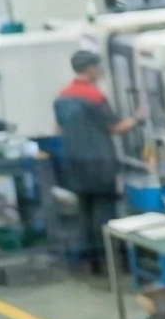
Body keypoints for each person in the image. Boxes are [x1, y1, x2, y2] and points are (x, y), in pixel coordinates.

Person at [54, 51, 136, 271]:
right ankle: (115, 261)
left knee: (84, 212)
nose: (100, 71)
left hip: (75, 164)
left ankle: (92, 262)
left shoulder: (62, 97)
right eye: (98, 66)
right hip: (100, 164)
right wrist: (138, 118)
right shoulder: (94, 96)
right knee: (106, 213)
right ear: (90, 68)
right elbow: (115, 127)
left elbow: (58, 129)